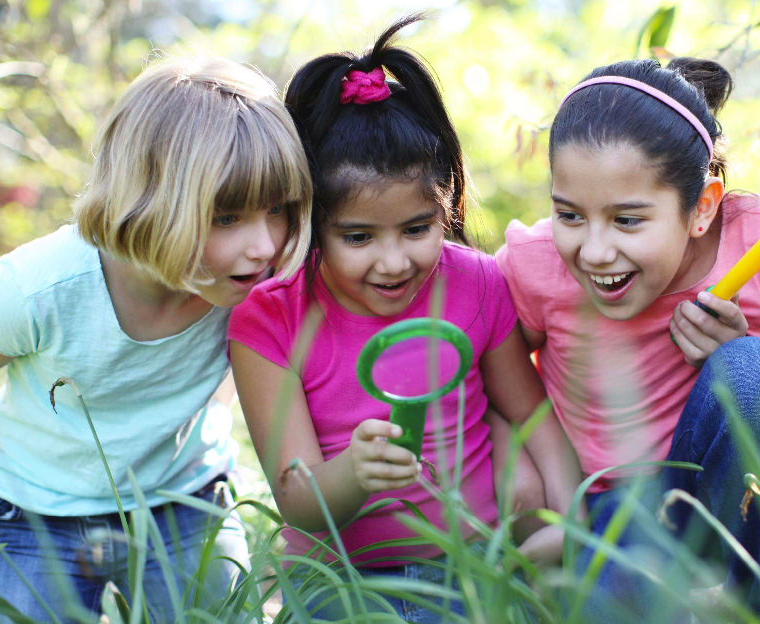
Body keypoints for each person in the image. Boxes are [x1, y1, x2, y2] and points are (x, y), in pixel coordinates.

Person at [228, 14, 582, 623]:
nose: (393, 262)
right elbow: (296, 500)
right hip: (341, 580)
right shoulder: (269, 318)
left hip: (475, 562)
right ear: (312, 223)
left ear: (445, 208)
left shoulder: (476, 283)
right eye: (358, 237)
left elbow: (531, 416)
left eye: (417, 229)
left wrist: (572, 522)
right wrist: (354, 472)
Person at [495, 57, 760, 622]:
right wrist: (541, 500)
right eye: (569, 215)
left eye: (627, 220)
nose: (594, 251)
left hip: (731, 500)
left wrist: (741, 358)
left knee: (752, 369)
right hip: (606, 512)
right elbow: (488, 390)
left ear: (702, 207)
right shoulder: (534, 265)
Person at [0, 57, 312, 623]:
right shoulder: (40, 289)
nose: (265, 245)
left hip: (184, 500)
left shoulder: (253, 285)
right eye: (226, 217)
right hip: (32, 512)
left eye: (277, 210)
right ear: (148, 202)